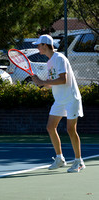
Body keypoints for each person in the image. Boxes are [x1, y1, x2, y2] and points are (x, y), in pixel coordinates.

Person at [32, 34, 86, 173]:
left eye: (39, 45)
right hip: (59, 100)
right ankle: (59, 158)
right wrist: (41, 83)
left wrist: (43, 82)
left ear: (45, 45)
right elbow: (52, 83)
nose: (38, 47)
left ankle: (79, 161)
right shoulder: (50, 62)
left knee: (70, 129)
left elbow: (63, 79)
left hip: (71, 98)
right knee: (50, 127)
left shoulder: (60, 58)